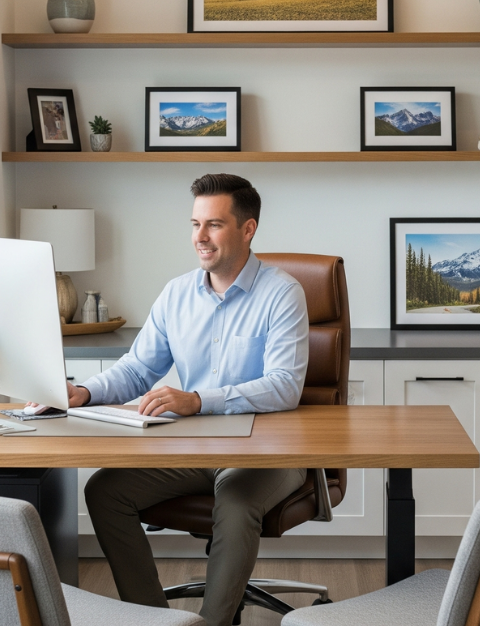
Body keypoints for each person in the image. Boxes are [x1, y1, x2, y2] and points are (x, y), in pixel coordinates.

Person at [68, 173, 309, 626]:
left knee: (236, 499)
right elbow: (138, 369)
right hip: (196, 449)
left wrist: (198, 400)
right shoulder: (177, 294)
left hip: (268, 450)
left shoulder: (282, 294)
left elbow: (284, 386)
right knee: (105, 490)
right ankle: (156, 620)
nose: (200, 237)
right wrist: (86, 391)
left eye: (214, 225)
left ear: (248, 229)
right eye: (195, 224)